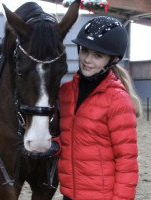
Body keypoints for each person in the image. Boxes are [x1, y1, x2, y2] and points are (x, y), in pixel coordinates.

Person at [53, 16, 142, 200]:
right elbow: (71, 139)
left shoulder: (118, 101)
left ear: (113, 59)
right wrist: (53, 145)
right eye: (84, 51)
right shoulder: (66, 93)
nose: (87, 59)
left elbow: (127, 161)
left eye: (97, 55)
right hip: (69, 194)